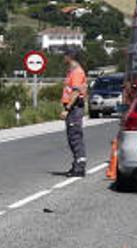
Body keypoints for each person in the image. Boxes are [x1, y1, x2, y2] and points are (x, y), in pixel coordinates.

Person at [61, 48, 88, 177]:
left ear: (70, 57)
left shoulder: (77, 72)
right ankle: (76, 164)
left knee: (75, 138)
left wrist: (67, 109)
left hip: (74, 108)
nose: (63, 58)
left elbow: (76, 92)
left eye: (65, 55)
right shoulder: (71, 72)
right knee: (73, 138)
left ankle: (79, 167)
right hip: (73, 108)